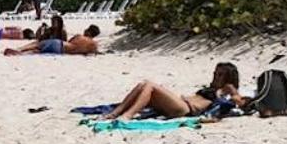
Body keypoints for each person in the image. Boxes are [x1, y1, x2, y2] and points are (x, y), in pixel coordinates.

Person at [100, 61, 248, 120]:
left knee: (149, 85)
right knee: (142, 86)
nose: (216, 76)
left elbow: (237, 99)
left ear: (228, 77)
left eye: (220, 74)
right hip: (181, 103)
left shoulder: (226, 87)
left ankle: (126, 115)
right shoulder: (213, 88)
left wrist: (234, 97)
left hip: (185, 109)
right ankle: (116, 113)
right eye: (215, 72)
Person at [5, 23, 102, 56]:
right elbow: (92, 53)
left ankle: (20, 49)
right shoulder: (94, 45)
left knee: (38, 43)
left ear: (88, 32)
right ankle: (23, 54)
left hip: (61, 45)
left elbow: (69, 42)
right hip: (62, 51)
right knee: (39, 51)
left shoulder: (80, 36)